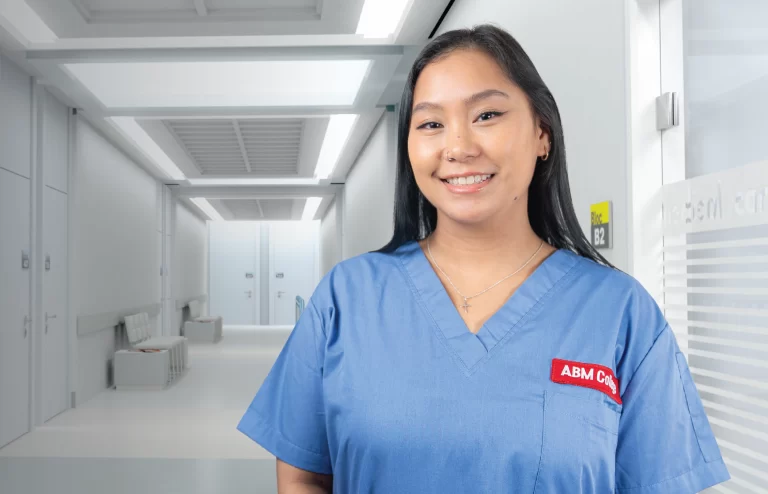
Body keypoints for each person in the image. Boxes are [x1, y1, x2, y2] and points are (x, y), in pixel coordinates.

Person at [237, 24, 730, 493]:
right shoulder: (346, 298)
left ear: (542, 134)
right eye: (431, 123)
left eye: (487, 116)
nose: (458, 147)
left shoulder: (620, 312)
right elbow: (303, 477)